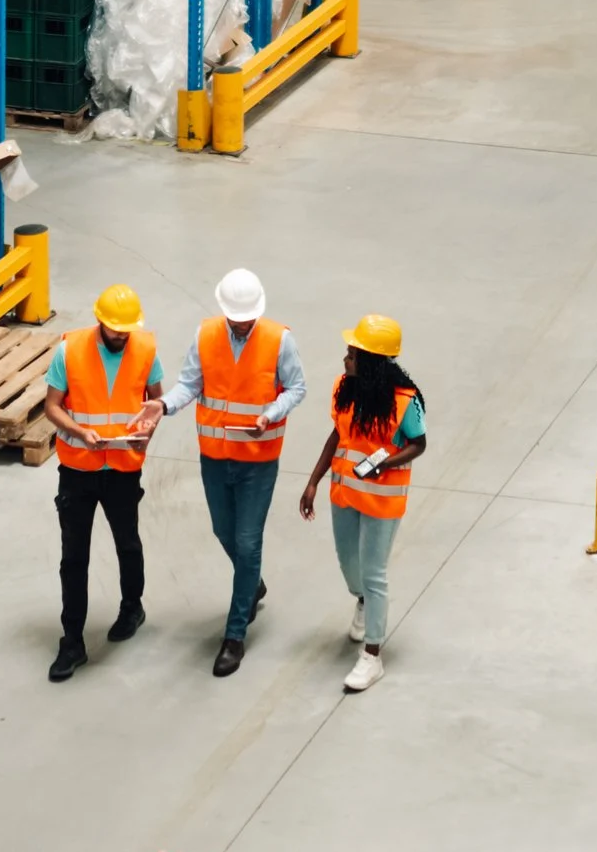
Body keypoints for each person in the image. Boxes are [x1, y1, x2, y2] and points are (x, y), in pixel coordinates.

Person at [162, 267, 307, 679]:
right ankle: (252, 584)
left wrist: (271, 413)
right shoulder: (206, 335)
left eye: (247, 319)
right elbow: (189, 384)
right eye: (235, 318)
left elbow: (297, 388)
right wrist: (165, 406)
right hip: (214, 456)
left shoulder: (280, 340)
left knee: (247, 541)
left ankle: (235, 633)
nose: (241, 324)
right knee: (224, 532)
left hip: (258, 460)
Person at [297, 314, 427, 697]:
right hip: (345, 494)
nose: (345, 359)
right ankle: (362, 601)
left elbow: (418, 443)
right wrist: (313, 481)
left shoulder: (406, 402)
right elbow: (338, 434)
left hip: (382, 502)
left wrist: (385, 463)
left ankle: (373, 655)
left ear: (371, 361)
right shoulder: (345, 388)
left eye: (352, 354)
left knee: (374, 573)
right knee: (349, 566)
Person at [44, 283, 164, 683]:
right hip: (78, 467)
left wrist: (146, 429)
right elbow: (52, 406)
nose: (121, 336)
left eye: (126, 330)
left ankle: (133, 607)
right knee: (74, 557)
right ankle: (72, 640)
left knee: (127, 543)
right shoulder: (70, 350)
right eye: (115, 330)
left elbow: (156, 401)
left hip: (123, 468)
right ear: (100, 321)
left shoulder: (145, 349)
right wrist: (79, 431)